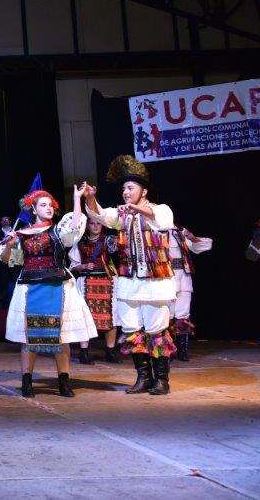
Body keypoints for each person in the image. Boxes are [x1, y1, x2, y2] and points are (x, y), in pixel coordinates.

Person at [84, 155, 176, 396]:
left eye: (130, 188)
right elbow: (99, 215)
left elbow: (163, 222)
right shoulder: (120, 214)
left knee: (156, 330)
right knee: (133, 330)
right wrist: (91, 198)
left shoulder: (160, 210)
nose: (125, 192)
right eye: (124, 188)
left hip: (156, 283)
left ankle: (162, 380)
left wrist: (137, 209)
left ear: (143, 191)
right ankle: (143, 377)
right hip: (128, 282)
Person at [0, 186, 96, 398]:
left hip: (59, 286)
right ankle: (27, 381)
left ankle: (64, 381)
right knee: (29, 338)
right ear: (33, 210)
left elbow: (74, 229)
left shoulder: (58, 230)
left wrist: (77, 199)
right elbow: (7, 259)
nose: (49, 208)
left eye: (50, 205)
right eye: (43, 205)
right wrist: (9, 244)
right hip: (29, 287)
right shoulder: (21, 234)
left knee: (62, 337)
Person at [69, 219, 120, 364]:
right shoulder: (79, 242)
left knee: (111, 317)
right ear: (88, 225)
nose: (96, 226)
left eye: (99, 223)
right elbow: (73, 266)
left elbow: (119, 249)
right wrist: (84, 265)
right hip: (86, 282)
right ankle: (83, 352)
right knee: (85, 317)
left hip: (108, 282)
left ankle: (110, 351)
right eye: (92, 223)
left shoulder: (109, 240)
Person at [167, 226, 212, 361]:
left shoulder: (179, 230)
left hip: (184, 276)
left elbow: (200, 247)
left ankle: (182, 350)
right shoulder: (153, 230)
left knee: (183, 314)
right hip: (166, 276)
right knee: (166, 314)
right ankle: (167, 349)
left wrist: (193, 238)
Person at [0, 216, 18, 300]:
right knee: (2, 281)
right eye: (3, 220)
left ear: (10, 221)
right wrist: (0, 255)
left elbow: (19, 246)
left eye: (7, 219)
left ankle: (15, 300)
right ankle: (3, 301)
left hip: (13, 260)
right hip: (2, 260)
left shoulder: (15, 232)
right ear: (1, 222)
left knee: (15, 279)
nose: (5, 221)